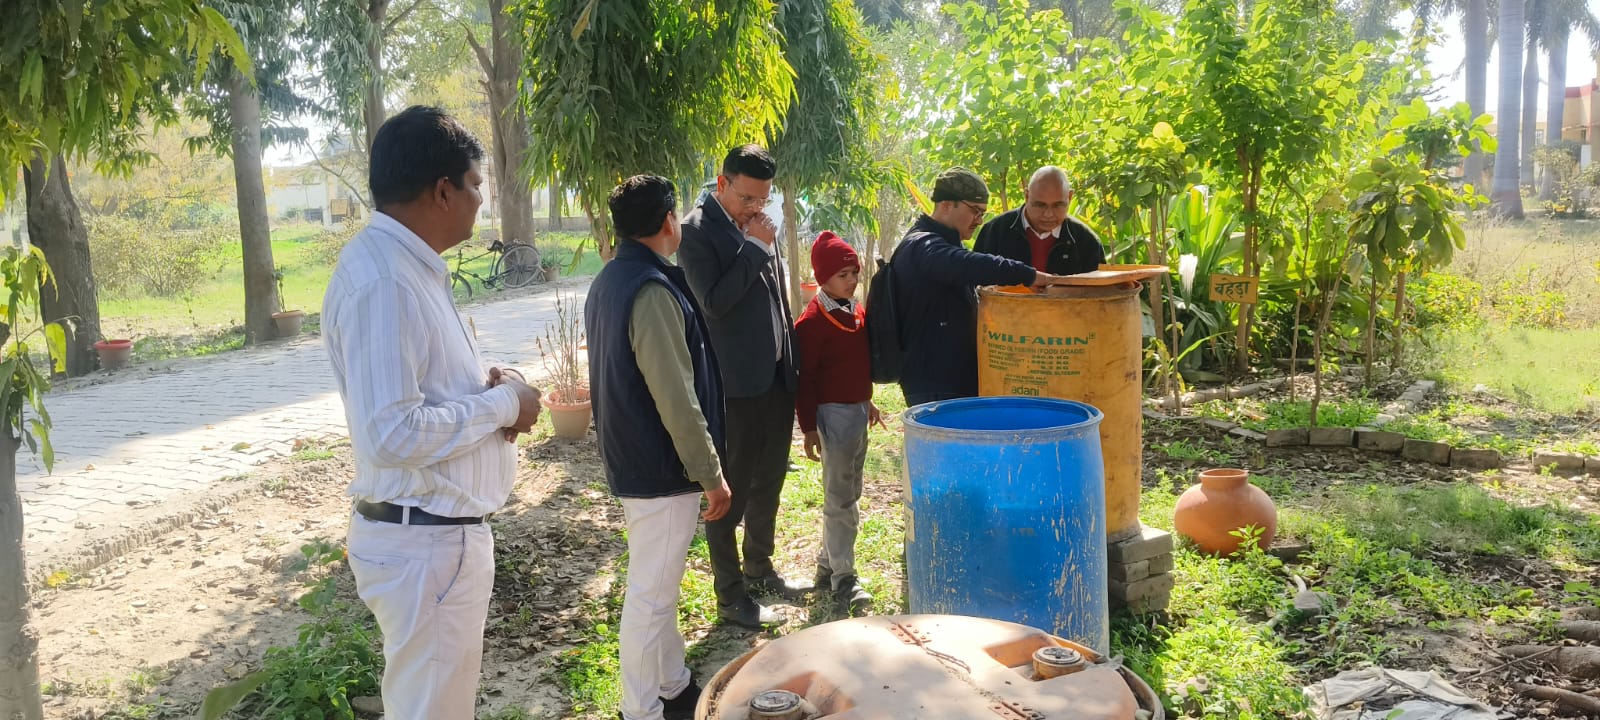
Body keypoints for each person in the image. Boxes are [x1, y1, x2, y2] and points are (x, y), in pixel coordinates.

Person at [322, 105, 543, 720]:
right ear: (443, 191)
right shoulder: (386, 282)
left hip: (432, 539)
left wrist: (492, 386)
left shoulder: (405, 269)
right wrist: (503, 403)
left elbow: (424, 390)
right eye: (474, 185)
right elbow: (391, 433)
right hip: (426, 542)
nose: (481, 200)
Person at [586, 175, 734, 720]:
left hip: (636, 457)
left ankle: (673, 684)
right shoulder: (649, 289)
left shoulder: (612, 278)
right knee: (650, 595)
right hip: (661, 466)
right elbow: (676, 396)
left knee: (660, 584)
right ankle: (640, 708)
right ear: (669, 220)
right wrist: (710, 472)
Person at [678, 145, 807, 628]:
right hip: (733, 385)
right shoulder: (695, 232)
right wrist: (754, 248)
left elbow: (775, 298)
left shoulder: (762, 228)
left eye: (763, 198)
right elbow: (713, 302)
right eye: (747, 197)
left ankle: (760, 565)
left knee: (769, 480)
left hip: (775, 377)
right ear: (722, 183)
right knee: (729, 491)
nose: (755, 207)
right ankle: (731, 595)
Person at [892, 167, 1065, 406]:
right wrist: (1028, 275)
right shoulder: (922, 245)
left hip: (952, 382)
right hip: (934, 387)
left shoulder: (944, 244)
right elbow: (966, 264)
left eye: (983, 213)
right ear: (946, 205)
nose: (980, 220)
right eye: (974, 211)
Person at [794, 231, 883, 613]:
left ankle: (826, 564)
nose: (852, 280)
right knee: (840, 498)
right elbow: (805, 380)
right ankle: (845, 577)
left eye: (855, 273)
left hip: (857, 412)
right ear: (823, 277)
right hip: (833, 415)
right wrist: (809, 427)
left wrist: (867, 401)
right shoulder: (812, 322)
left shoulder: (855, 311)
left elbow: (855, 365)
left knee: (850, 490)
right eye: (843, 275)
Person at [973, 165, 1106, 275]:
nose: (1048, 214)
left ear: (1069, 197)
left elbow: (1099, 293)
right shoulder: (995, 232)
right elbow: (975, 284)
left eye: (1058, 205)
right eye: (1040, 205)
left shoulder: (1086, 241)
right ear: (1027, 196)